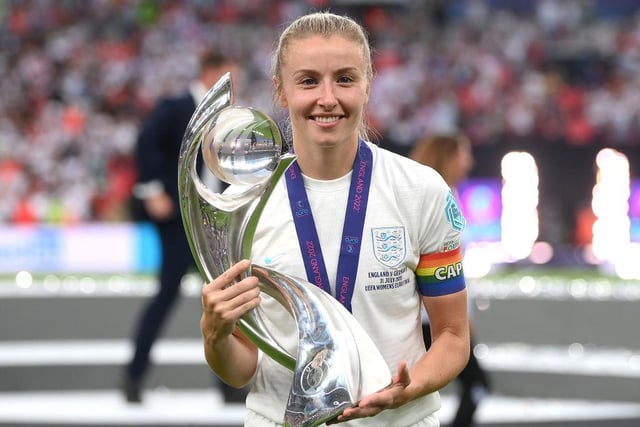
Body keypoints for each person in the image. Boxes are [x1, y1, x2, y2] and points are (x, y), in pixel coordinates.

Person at [199, 11, 470, 427]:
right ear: (281, 91)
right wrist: (214, 336)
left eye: (345, 79)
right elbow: (241, 368)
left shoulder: (420, 189)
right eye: (308, 80)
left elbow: (453, 336)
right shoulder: (243, 206)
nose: (328, 98)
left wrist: (408, 389)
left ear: (367, 85)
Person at [123, 51, 246, 404]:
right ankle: (134, 375)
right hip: (178, 220)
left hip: (214, 222)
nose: (232, 86)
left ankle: (228, 384)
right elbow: (146, 143)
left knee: (222, 299)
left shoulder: (228, 117)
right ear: (211, 72)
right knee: (168, 295)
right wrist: (152, 190)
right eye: (229, 77)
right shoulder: (177, 106)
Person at [409, 133, 491, 427]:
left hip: (433, 316)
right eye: (463, 153)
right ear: (448, 156)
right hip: (430, 319)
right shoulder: (431, 199)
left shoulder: (443, 195)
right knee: (475, 384)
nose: (468, 160)